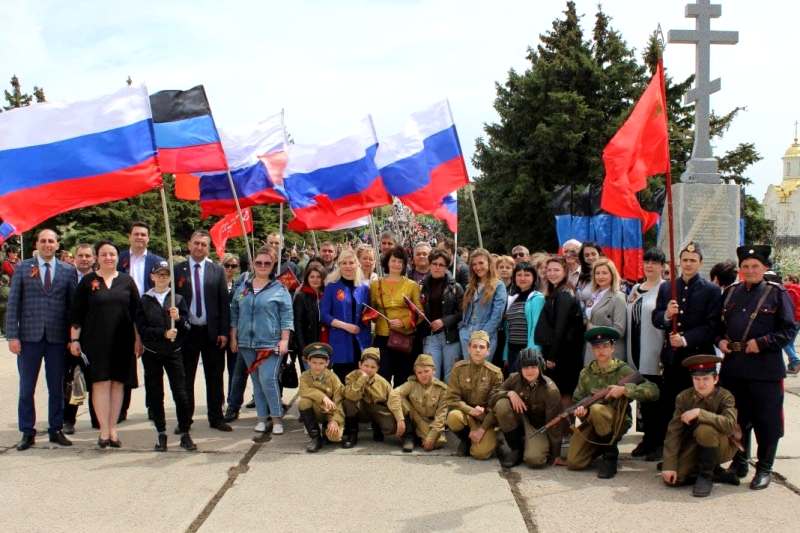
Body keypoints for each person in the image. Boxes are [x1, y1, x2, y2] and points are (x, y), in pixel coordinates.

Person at [715, 245, 797, 490]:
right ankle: (739, 461)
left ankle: (764, 468)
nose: (750, 270)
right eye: (745, 266)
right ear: (740, 269)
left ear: (764, 268)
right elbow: (718, 326)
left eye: (755, 266)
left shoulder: (776, 293)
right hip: (734, 367)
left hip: (765, 370)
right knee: (738, 418)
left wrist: (762, 343)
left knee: (767, 421)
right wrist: (719, 341)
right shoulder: (731, 293)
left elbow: (788, 330)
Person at [6, 229, 77, 451]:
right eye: (43, 241)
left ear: (57, 245)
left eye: (51, 241)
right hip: (29, 338)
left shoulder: (68, 270)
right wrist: (12, 336)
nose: (47, 244)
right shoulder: (23, 268)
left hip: (57, 338)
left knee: (56, 387)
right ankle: (27, 432)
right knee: (27, 388)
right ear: (36, 244)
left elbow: (72, 308)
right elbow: (13, 303)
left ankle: (56, 429)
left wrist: (72, 337)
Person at [651, 242, 721, 461]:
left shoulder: (711, 290)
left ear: (700, 263)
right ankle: (672, 452)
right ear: (679, 262)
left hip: (698, 358)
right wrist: (666, 315)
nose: (688, 264)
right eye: (685, 260)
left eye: (693, 260)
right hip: (673, 359)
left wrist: (685, 339)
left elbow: (713, 326)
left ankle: (696, 454)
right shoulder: (667, 287)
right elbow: (656, 318)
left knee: (697, 404)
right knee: (671, 405)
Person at [69, 240, 140, 449]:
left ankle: (113, 429)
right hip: (95, 342)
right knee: (100, 384)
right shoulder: (87, 282)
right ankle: (103, 431)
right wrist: (74, 340)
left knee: (118, 384)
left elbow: (136, 314)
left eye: (112, 254)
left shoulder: (127, 281)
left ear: (118, 257)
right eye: (104, 254)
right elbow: (77, 314)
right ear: (97, 258)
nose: (108, 257)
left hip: (123, 342)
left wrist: (138, 339)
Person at [567, 327, 659, 478]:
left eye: (605, 346)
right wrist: (582, 413)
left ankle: (610, 455)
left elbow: (653, 391)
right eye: (597, 347)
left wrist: (625, 390)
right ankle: (600, 447)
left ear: (612, 348)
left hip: (617, 422)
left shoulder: (622, 370)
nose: (601, 350)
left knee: (597, 409)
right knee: (574, 462)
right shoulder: (586, 373)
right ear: (592, 350)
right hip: (593, 423)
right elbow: (578, 400)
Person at [230, 246, 293, 437]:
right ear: (253, 264)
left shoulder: (280, 289)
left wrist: (284, 340)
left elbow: (287, 316)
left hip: (270, 343)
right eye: (259, 262)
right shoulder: (243, 288)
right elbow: (234, 313)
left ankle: (276, 418)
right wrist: (233, 337)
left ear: (273, 265)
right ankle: (261, 418)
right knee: (257, 382)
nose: (263, 266)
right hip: (247, 344)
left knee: (268, 379)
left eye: (267, 263)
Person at [134, 261, 196, 452]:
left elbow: (187, 327)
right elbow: (142, 329)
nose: (162, 278)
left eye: (165, 275)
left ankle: (185, 432)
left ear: (170, 278)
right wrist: (163, 334)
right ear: (152, 277)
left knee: (181, 393)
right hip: (152, 353)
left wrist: (179, 319)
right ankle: (161, 432)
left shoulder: (177, 299)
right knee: (155, 394)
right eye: (158, 274)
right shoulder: (144, 300)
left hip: (174, 353)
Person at [174, 230, 232, 432]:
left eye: (204, 244)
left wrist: (224, 331)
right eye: (196, 243)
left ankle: (216, 418)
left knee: (215, 377)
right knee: (185, 378)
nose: (199, 247)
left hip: (212, 332)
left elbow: (224, 304)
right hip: (187, 332)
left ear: (209, 248)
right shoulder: (177, 270)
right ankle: (185, 420)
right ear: (189, 244)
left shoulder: (217, 270)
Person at [661, 355, 739, 497]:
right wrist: (669, 465)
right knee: (674, 480)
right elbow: (674, 431)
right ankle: (716, 474)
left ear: (715, 379)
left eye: (706, 379)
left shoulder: (725, 396)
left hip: (722, 446)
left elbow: (729, 425)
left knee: (705, 429)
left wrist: (700, 413)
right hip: (694, 444)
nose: (701, 384)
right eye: (697, 379)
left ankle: (706, 476)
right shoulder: (684, 397)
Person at [626, 248, 667, 459]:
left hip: (654, 351)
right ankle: (647, 439)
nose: (649, 265)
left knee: (656, 400)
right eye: (647, 261)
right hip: (635, 350)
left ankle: (658, 441)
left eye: (655, 262)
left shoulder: (665, 289)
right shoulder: (635, 288)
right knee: (642, 399)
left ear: (662, 266)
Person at [491, 348, 562, 468]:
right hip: (518, 421)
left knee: (534, 460)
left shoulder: (550, 390)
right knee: (502, 404)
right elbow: (492, 396)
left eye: (533, 367)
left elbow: (554, 423)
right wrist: (509, 393)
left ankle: (531, 445)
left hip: (537, 428)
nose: (529, 371)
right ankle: (516, 449)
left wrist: (556, 454)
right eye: (525, 367)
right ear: (520, 368)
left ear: (540, 367)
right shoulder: (514, 379)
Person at [534, 256, 584, 415]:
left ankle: (566, 426)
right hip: (558, 350)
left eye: (556, 270)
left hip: (564, 354)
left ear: (565, 272)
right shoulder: (556, 292)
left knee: (564, 392)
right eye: (549, 270)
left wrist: (552, 356)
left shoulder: (564, 294)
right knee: (557, 392)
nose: (552, 273)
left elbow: (560, 327)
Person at [445, 330, 504, 459]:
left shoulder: (495, 373)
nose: (477, 350)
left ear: (488, 351)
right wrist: (470, 410)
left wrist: (482, 429)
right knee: (453, 417)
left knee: (481, 454)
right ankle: (466, 441)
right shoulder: (458, 369)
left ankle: (494, 438)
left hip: (485, 419)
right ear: (469, 349)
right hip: (466, 415)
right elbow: (452, 398)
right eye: (474, 346)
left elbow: (495, 407)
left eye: (482, 347)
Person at [370, 246, 422, 386]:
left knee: (403, 377)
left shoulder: (412, 285)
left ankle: (399, 400)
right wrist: (372, 316)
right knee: (382, 376)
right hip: (383, 336)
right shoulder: (375, 285)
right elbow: (372, 308)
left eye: (400, 261)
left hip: (404, 337)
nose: (396, 264)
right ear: (387, 262)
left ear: (404, 265)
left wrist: (403, 322)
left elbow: (419, 313)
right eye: (393, 260)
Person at [63, 242, 97, 434]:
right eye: (81, 256)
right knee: (72, 379)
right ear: (74, 258)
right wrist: (70, 338)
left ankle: (97, 418)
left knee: (96, 379)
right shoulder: (66, 278)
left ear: (94, 258)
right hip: (71, 338)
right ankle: (68, 419)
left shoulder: (100, 279)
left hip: (94, 337)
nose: (84, 259)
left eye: (88, 256)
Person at [322, 249, 371, 381]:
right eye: (344, 263)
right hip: (341, 342)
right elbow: (324, 315)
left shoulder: (364, 288)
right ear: (339, 265)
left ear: (357, 264)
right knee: (343, 382)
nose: (348, 266)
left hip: (361, 342)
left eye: (351, 263)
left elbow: (369, 312)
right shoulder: (331, 287)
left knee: (361, 384)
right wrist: (345, 326)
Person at [387, 354, 448, 453]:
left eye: (426, 371)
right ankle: (408, 437)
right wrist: (400, 419)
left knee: (438, 442)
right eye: (419, 372)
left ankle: (418, 438)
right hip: (414, 418)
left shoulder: (442, 389)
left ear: (434, 371)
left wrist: (431, 437)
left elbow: (441, 416)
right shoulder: (412, 384)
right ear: (415, 373)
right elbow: (394, 394)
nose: (423, 375)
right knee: (398, 399)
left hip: (428, 423)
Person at [341, 347, 401, 447]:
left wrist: (400, 420)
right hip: (360, 409)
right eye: (366, 366)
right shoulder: (351, 376)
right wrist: (361, 380)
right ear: (360, 365)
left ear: (378, 368)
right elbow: (350, 395)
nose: (369, 369)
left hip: (375, 409)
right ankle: (352, 433)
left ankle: (377, 426)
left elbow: (393, 399)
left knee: (391, 428)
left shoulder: (382, 382)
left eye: (373, 367)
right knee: (348, 402)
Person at [419, 249, 463, 382]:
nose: (437, 267)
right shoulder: (421, 286)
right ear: (430, 265)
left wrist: (444, 321)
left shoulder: (455, 287)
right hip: (430, 336)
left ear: (446, 267)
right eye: (434, 263)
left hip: (450, 336)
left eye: (441, 265)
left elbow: (463, 312)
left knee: (451, 376)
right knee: (431, 375)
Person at [459, 248, 507, 359]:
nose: (477, 267)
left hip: (485, 336)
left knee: (481, 368)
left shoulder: (498, 285)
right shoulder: (470, 286)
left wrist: (482, 336)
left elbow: (497, 316)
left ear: (489, 263)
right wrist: (463, 329)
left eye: (481, 263)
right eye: (474, 264)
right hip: (466, 334)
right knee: (468, 368)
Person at [297, 342, 344, 453]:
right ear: (308, 362)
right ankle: (315, 437)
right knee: (303, 402)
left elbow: (339, 400)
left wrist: (335, 420)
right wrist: (323, 397)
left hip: (330, 412)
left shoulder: (333, 378)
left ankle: (326, 429)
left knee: (334, 437)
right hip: (316, 410)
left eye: (321, 363)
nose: (317, 366)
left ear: (327, 363)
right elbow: (303, 391)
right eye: (314, 362)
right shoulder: (305, 376)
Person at [582, 258, 626, 365]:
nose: (600, 276)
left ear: (612, 275)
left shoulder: (618, 297)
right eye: (597, 273)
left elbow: (619, 330)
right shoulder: (594, 295)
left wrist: (593, 329)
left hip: (609, 353)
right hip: (592, 349)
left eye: (604, 273)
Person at [503, 262, 544, 374]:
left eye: (527, 275)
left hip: (526, 351)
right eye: (519, 275)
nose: (522, 278)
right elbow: (509, 329)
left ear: (534, 278)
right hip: (512, 350)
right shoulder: (513, 298)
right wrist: (506, 354)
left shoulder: (537, 298)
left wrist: (531, 353)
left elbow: (536, 327)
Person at [221, 253, 245, 422]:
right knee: (216, 371)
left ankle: (232, 403)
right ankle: (218, 401)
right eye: (227, 265)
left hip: (236, 333)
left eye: (233, 266)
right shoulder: (215, 284)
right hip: (219, 332)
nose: (230, 269)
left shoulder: (241, 286)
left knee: (235, 371)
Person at [293, 264, 327, 370]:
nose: (315, 280)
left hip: (325, 346)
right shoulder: (301, 297)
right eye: (312, 277)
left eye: (318, 277)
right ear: (307, 278)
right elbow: (298, 325)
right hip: (308, 346)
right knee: (310, 377)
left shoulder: (326, 296)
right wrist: (303, 349)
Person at [576, 241, 604, 305]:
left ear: (599, 254)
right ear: (583, 258)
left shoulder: (607, 273)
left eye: (593, 254)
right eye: (587, 255)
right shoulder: (581, 273)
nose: (590, 257)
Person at [783, 274, 800, 374]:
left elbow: (789, 307)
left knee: (784, 342)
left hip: (793, 319)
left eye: (785, 279)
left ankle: (796, 360)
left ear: (792, 281)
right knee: (790, 342)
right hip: (798, 319)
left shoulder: (790, 291)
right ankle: (793, 367)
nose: (784, 281)